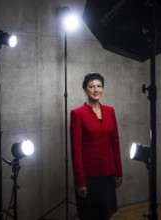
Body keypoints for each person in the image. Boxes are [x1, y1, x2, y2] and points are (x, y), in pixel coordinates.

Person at [70, 72, 123, 220]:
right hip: (89, 177)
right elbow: (76, 151)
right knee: (90, 216)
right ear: (85, 89)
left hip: (108, 174)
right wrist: (80, 181)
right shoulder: (77, 114)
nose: (96, 90)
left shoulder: (110, 111)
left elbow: (115, 142)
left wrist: (118, 171)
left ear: (103, 89)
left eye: (99, 86)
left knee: (106, 215)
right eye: (91, 86)